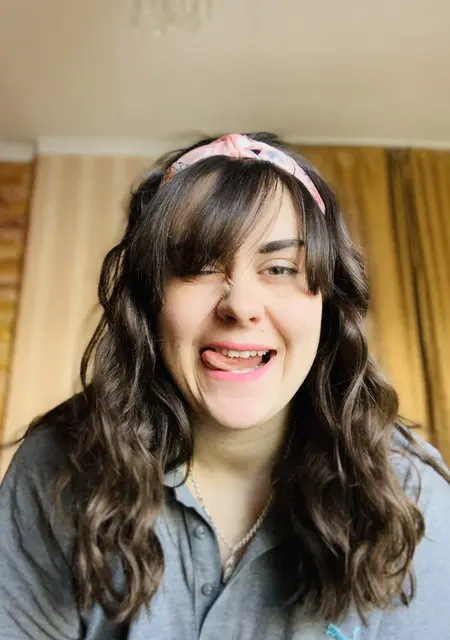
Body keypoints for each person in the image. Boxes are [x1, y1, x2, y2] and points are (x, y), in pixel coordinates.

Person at [0, 132, 449, 640]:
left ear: (328, 303)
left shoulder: (415, 498)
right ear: (149, 300)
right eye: (198, 267)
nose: (240, 306)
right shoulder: (59, 466)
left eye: (279, 268)